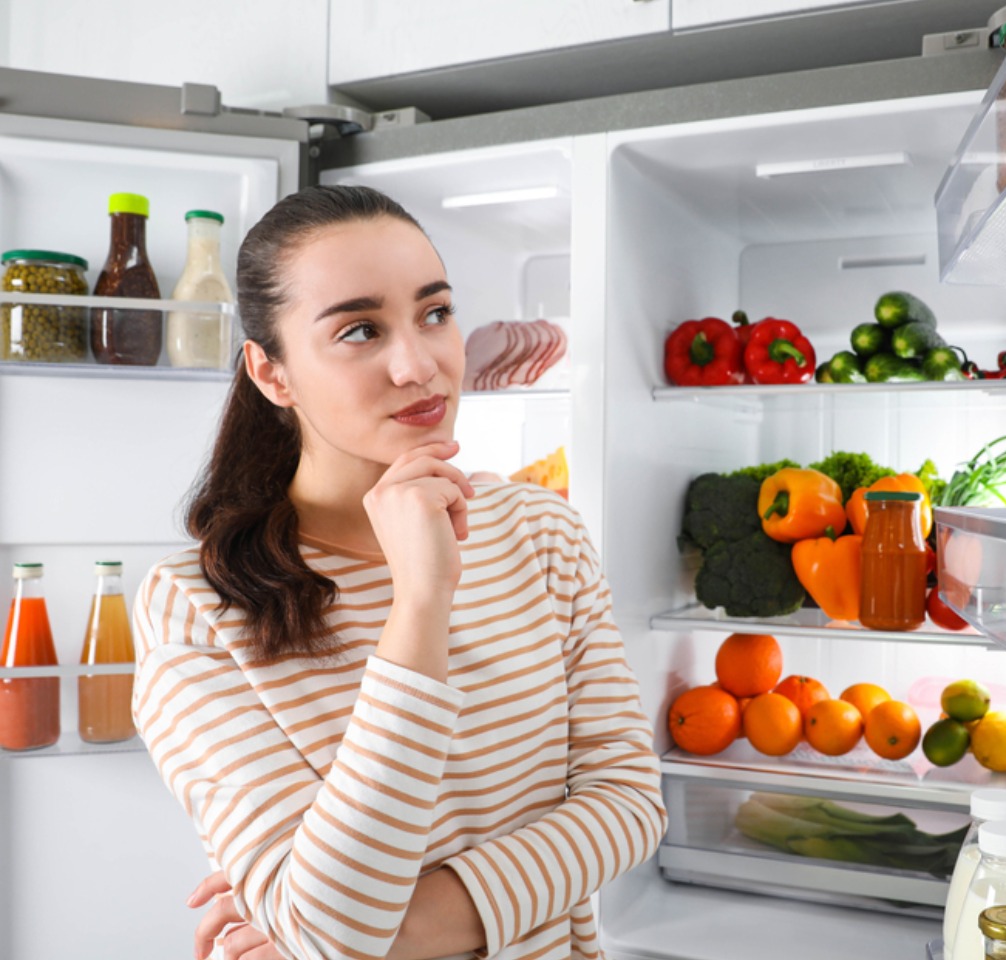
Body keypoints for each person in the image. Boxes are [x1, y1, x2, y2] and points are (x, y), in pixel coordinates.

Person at [132, 184, 667, 960]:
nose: (420, 364)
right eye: (359, 330)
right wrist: (420, 602)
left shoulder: (540, 531)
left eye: (436, 313)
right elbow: (334, 926)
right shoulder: (194, 608)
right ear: (272, 373)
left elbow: (627, 805)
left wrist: (387, 933)